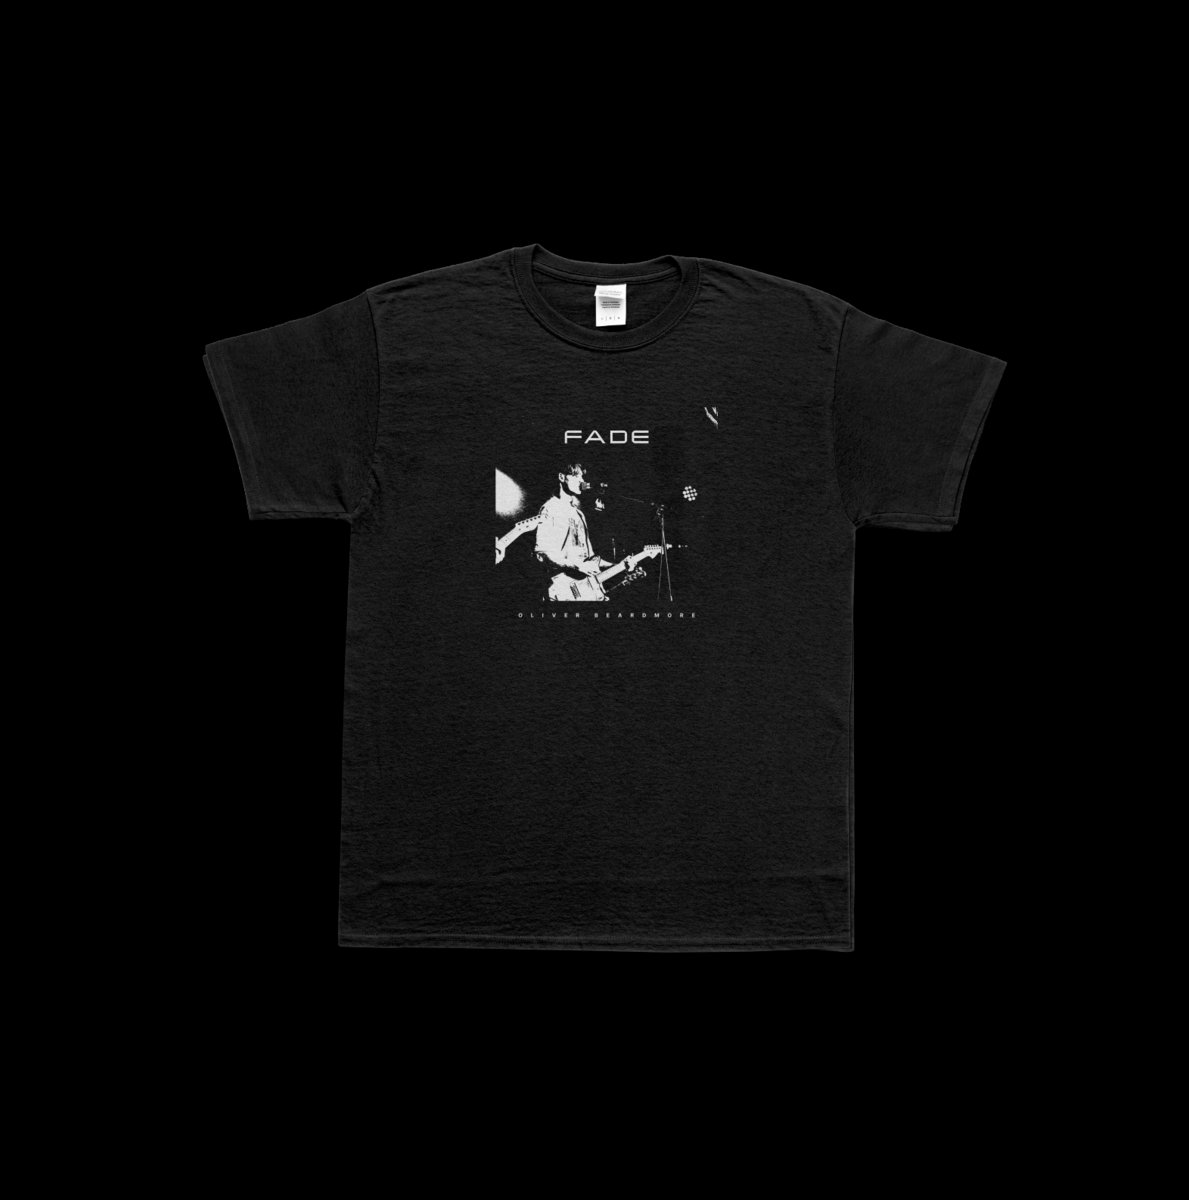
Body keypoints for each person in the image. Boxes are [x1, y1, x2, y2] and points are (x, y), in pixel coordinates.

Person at [534, 461, 612, 599]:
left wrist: (620, 565)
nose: (582, 481)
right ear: (562, 477)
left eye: (582, 477)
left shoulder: (579, 514)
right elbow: (543, 553)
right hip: (564, 587)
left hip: (586, 587)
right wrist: (577, 566)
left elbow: (591, 559)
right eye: (576, 476)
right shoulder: (550, 508)